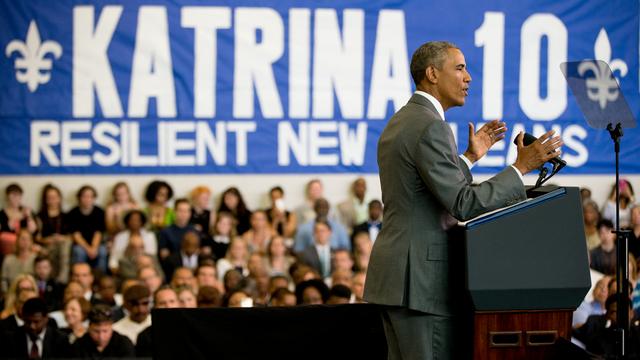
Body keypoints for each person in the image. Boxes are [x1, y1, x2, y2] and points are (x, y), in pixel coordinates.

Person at [364, 41, 562, 360]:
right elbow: (463, 203)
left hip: (399, 277)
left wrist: (469, 158)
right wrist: (520, 167)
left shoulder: (405, 119)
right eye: (459, 68)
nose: (468, 77)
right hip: (420, 284)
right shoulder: (432, 126)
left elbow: (421, 187)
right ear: (431, 73)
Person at [1, 297, 71, 358]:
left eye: (36, 322)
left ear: (46, 319)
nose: (32, 326)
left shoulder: (60, 340)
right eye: (28, 321)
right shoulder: (11, 339)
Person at [36, 183, 72, 283]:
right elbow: (37, 237)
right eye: (50, 198)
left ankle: (62, 279)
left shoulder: (66, 216)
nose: (53, 200)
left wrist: (62, 238)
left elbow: (71, 236)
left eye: (55, 197)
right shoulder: (40, 216)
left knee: (65, 245)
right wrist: (47, 240)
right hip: (47, 246)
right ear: (46, 200)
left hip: (62, 245)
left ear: (59, 198)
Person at [67, 185, 108, 273]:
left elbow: (98, 232)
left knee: (102, 251)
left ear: (94, 198)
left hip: (96, 244)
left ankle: (100, 276)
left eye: (90, 196)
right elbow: (76, 235)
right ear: (79, 198)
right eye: (84, 196)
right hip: (80, 244)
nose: (87, 199)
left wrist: (93, 248)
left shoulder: (99, 212)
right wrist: (88, 249)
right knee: (79, 252)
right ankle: (79, 275)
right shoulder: (73, 213)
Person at [109, 209, 157, 274]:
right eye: (132, 220)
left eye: (138, 220)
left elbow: (152, 255)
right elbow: (115, 257)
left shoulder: (149, 236)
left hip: (145, 267)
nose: (135, 222)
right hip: (126, 266)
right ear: (127, 221)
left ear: (142, 222)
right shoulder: (120, 237)